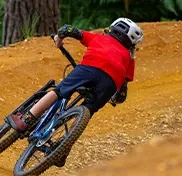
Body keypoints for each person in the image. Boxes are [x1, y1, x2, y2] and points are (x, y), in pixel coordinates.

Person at [12, 18, 142, 131]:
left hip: (89, 68)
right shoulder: (129, 58)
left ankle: (26, 120)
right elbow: (123, 91)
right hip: (110, 83)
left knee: (58, 92)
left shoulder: (99, 38)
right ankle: (63, 148)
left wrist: (59, 40)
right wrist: (113, 97)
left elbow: (67, 30)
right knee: (88, 111)